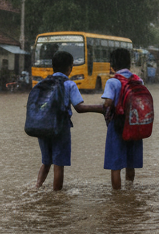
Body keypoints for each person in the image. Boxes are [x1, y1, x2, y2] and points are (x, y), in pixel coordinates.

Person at [35, 50, 104, 191]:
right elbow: (79, 107)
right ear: (70, 68)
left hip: (42, 126)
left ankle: (36, 188)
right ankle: (57, 197)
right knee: (59, 165)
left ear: (53, 66)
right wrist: (100, 108)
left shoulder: (42, 83)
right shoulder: (69, 84)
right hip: (61, 127)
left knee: (46, 162)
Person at [101, 47, 144, 190]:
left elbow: (108, 102)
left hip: (117, 126)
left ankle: (117, 197)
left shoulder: (112, 82)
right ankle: (130, 191)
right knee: (130, 163)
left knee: (116, 165)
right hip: (135, 125)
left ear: (112, 65)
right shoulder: (138, 80)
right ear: (129, 63)